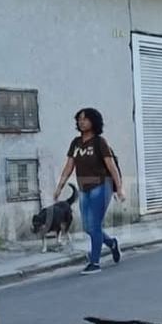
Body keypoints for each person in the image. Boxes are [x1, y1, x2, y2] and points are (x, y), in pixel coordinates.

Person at [54, 107, 126, 274]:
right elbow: (68, 167)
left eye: (85, 119)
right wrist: (59, 187)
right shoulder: (76, 143)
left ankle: (95, 263)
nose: (81, 122)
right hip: (84, 188)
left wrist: (119, 188)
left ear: (94, 121)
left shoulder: (100, 142)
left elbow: (112, 167)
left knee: (94, 225)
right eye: (79, 119)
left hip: (101, 186)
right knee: (88, 227)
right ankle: (112, 243)